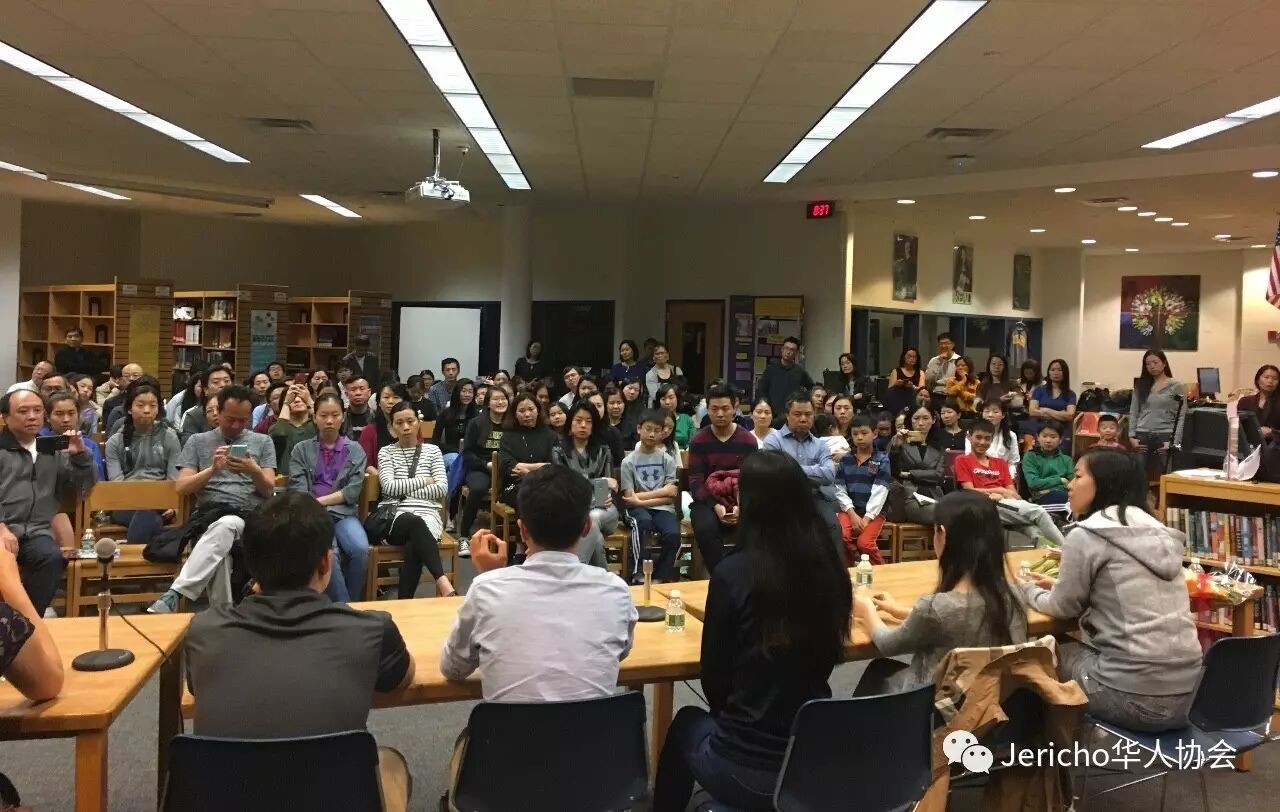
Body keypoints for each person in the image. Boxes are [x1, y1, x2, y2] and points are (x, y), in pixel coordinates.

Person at [183, 493, 414, 810]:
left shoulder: (203, 631)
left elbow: (198, 687)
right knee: (390, 761)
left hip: (225, 799)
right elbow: (402, 678)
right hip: (332, 798)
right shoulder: (373, 629)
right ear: (326, 562)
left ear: (251, 564)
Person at [652, 450, 851, 812]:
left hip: (743, 765)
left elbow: (715, 679)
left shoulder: (734, 573)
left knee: (686, 723)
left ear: (753, 503)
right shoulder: (830, 571)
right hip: (809, 762)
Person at [1017, 447, 1201, 732]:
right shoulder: (1158, 531)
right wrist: (1060, 587)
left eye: (1078, 476)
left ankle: (1046, 757)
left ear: (1103, 483)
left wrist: (1025, 589)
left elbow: (1062, 608)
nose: (1069, 485)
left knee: (1033, 656)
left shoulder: (1088, 534)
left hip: (1133, 699)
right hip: (1193, 700)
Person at [853, 490, 1027, 694]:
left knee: (878, 671)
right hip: (989, 701)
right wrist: (899, 611)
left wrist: (866, 610)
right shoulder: (1014, 596)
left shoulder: (935, 608)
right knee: (881, 669)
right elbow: (960, 617)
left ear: (942, 534)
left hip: (936, 705)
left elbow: (888, 644)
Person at [149, 386, 277, 613]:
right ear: (218, 412)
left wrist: (253, 470)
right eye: (230, 419)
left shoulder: (263, 441)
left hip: (251, 519)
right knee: (222, 551)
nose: (236, 425)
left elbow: (269, 491)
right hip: (209, 517)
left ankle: (176, 593)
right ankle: (226, 615)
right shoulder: (197, 441)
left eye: (243, 420)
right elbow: (182, 487)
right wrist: (212, 470)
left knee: (229, 523)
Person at [0, 389, 95, 615]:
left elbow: (82, 487)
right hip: (3, 529)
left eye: (37, 410)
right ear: (6, 417)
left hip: (37, 531)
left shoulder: (51, 449)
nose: (32, 416)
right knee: (4, 562)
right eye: (23, 411)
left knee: (50, 557)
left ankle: (28, 622)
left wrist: (79, 456)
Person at [287, 393, 371, 603]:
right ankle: (344, 608)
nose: (330, 421)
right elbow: (298, 490)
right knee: (329, 552)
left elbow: (351, 492)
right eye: (323, 415)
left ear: (343, 417)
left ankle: (351, 604)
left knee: (360, 550)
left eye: (335, 415)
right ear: (314, 417)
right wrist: (315, 507)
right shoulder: (301, 449)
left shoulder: (355, 450)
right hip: (312, 516)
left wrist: (320, 501)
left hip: (344, 514)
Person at [376, 403, 456, 599]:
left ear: (418, 423)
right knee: (415, 522)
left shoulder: (433, 451)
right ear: (391, 427)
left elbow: (441, 488)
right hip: (395, 516)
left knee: (415, 543)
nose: (405, 427)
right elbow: (389, 488)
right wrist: (424, 481)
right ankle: (443, 582)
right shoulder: (386, 452)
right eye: (399, 423)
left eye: (410, 421)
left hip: (429, 514)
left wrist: (405, 488)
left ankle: (403, 602)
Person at [954, 419, 1065, 547]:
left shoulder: (1000, 463)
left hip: (1005, 504)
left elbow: (1013, 494)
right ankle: (1067, 551)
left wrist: (1005, 494)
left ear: (992, 439)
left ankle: (1049, 555)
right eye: (978, 437)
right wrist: (999, 490)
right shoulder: (962, 460)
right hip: (982, 505)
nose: (982, 442)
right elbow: (968, 491)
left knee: (1035, 531)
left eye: (987, 438)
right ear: (969, 437)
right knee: (1038, 513)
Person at [687, 385, 757, 573]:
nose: (720, 414)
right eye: (714, 409)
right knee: (705, 526)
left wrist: (740, 506)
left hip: (741, 500)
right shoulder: (698, 441)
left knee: (760, 524)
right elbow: (695, 482)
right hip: (708, 501)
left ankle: (748, 574)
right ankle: (720, 575)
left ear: (734, 408)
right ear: (707, 410)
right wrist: (715, 505)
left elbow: (751, 480)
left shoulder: (748, 441)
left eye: (725, 408)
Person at [762, 395, 842, 554]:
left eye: (808, 414)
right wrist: (814, 470)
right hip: (782, 499)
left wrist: (791, 467)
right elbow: (776, 474)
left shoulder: (820, 445)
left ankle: (834, 570)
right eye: (797, 414)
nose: (803, 419)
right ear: (787, 415)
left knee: (833, 527)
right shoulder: (773, 441)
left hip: (814, 498)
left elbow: (828, 474)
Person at [105, 382, 182, 543]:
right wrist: (142, 498)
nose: (147, 410)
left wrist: (171, 504)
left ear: (158, 409)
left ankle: (131, 551)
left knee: (148, 513)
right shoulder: (115, 441)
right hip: (124, 504)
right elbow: (116, 482)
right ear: (129, 409)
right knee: (149, 514)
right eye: (140, 405)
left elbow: (173, 478)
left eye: (152, 405)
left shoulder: (170, 437)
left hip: (162, 502)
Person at [551, 401, 616, 568]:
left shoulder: (604, 451)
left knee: (592, 518)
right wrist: (596, 483)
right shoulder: (558, 452)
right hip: (571, 510)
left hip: (603, 510)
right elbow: (564, 485)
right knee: (596, 536)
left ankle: (574, 570)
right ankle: (601, 577)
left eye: (588, 421)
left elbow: (607, 487)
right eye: (578, 420)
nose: (583, 425)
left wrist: (604, 493)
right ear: (570, 423)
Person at [622, 409, 681, 583]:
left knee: (673, 534)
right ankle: (638, 572)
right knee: (643, 524)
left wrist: (640, 499)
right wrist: (661, 492)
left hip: (663, 508)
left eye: (657, 430)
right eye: (648, 429)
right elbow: (629, 497)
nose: (652, 434)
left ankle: (660, 576)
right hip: (637, 511)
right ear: (639, 429)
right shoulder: (628, 462)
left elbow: (671, 496)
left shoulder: (667, 459)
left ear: (663, 433)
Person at [458, 384, 509, 554]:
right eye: (496, 399)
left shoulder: (511, 423)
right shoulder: (476, 423)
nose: (500, 402)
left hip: (506, 468)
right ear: (488, 403)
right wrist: (486, 465)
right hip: (480, 467)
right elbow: (467, 453)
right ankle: (464, 536)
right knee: (478, 488)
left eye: (503, 399)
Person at [835, 415, 891, 565]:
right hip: (849, 510)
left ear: (875, 433)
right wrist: (852, 513)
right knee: (841, 536)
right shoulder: (845, 459)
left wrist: (867, 518)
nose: (859, 437)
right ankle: (850, 568)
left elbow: (881, 491)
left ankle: (883, 571)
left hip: (874, 513)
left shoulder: (882, 459)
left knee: (864, 543)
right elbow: (839, 488)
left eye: (864, 433)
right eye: (855, 434)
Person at [497, 391, 555, 513]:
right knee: (529, 497)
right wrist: (540, 466)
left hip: (545, 483)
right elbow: (509, 466)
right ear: (515, 414)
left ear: (538, 411)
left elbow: (553, 464)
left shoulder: (550, 435)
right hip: (514, 485)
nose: (527, 414)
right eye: (522, 411)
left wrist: (528, 471)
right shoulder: (508, 436)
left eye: (531, 409)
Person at [888, 404, 947, 523]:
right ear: (910, 420)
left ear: (933, 420)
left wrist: (909, 474)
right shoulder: (899, 441)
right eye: (916, 418)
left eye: (925, 418)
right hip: (907, 496)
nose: (920, 423)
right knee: (943, 514)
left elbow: (939, 476)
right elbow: (892, 471)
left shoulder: (939, 447)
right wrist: (896, 448)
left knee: (957, 511)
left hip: (934, 496)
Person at [1129, 350, 1185, 471]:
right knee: (1138, 473)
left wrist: (1175, 442)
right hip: (1142, 434)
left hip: (1166, 434)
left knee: (1168, 473)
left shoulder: (1176, 386)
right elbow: (1133, 412)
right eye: (1148, 364)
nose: (1152, 366)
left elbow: (1181, 416)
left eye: (1155, 362)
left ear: (1164, 363)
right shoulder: (1140, 385)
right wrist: (1131, 436)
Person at [43, 390, 106, 480]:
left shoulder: (90, 445)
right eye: (59, 414)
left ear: (78, 415)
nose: (66, 419)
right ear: (47, 417)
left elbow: (98, 480)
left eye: (71, 413)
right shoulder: (41, 443)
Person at [757, 336, 812, 422]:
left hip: (792, 416)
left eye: (792, 350)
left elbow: (811, 388)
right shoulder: (771, 370)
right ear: (782, 349)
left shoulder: (799, 371)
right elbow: (762, 391)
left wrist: (802, 401)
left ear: (796, 353)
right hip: (773, 416)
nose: (788, 352)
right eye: (786, 348)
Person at [267, 383, 316, 477]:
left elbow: (326, 423)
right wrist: (286, 403)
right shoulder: (276, 427)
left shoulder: (316, 424)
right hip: (286, 478)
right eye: (292, 399)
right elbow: (279, 434)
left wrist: (309, 400)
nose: (297, 400)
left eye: (301, 398)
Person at [965, 399, 1020, 480]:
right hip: (979, 476)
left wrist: (1008, 478)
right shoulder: (972, 433)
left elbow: (1013, 462)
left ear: (1003, 415)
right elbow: (970, 458)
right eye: (987, 411)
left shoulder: (1011, 436)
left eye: (995, 412)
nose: (990, 415)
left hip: (1004, 478)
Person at [1023, 420, 1073, 507]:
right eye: (1044, 436)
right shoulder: (1030, 456)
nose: (1048, 440)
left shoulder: (1067, 460)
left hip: (1064, 495)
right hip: (1041, 499)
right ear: (1038, 437)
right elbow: (1033, 483)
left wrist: (1049, 490)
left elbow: (1072, 483)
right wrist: (1060, 480)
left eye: (1053, 437)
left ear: (1060, 440)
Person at [359, 382, 409, 467]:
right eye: (386, 397)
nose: (391, 401)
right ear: (379, 402)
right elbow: (366, 464)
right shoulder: (369, 431)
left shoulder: (413, 428)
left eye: (396, 397)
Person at [434, 378, 477, 471]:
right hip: (449, 454)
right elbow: (435, 441)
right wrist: (457, 450)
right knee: (455, 459)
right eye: (464, 391)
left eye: (470, 392)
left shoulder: (476, 415)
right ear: (457, 393)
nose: (467, 395)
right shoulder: (445, 414)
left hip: (470, 455)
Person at [180, 366, 232, 441]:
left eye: (226, 381)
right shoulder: (194, 416)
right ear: (206, 390)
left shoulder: (242, 411)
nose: (223, 385)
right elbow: (188, 445)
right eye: (216, 382)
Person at [1029, 358, 1076, 437]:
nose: (1055, 373)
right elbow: (1032, 411)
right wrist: (1061, 414)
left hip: (1061, 432)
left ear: (1065, 373)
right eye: (1052, 370)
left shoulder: (1070, 394)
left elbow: (1069, 416)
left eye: (1059, 370)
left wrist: (1046, 410)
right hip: (1041, 430)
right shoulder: (1039, 390)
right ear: (1049, 372)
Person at [1239, 364, 1280, 437]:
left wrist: (1272, 432)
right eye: (1266, 377)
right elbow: (1237, 425)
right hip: (1248, 441)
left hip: (1274, 443)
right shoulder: (1245, 401)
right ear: (1258, 380)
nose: (1270, 381)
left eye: (1275, 378)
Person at [885, 347, 923, 418]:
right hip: (897, 400)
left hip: (913, 400)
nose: (912, 359)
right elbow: (889, 389)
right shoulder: (896, 371)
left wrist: (912, 387)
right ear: (904, 358)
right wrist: (896, 384)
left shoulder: (920, 372)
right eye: (909, 356)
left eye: (914, 357)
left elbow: (922, 390)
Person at [923, 333, 959, 409]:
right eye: (941, 344)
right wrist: (939, 363)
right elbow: (928, 379)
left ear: (952, 345)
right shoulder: (934, 360)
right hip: (936, 394)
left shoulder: (959, 360)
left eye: (946, 343)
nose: (943, 346)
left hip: (952, 395)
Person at [644, 342, 685, 406]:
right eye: (657, 354)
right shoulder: (650, 374)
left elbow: (682, 390)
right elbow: (655, 395)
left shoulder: (676, 370)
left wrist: (662, 388)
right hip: (657, 406)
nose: (660, 356)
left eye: (662, 353)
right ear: (653, 357)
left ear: (667, 355)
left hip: (676, 405)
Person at [342, 376, 374, 441]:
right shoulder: (341, 419)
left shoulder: (377, 418)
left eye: (362, 389)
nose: (358, 393)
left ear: (369, 392)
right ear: (346, 394)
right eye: (353, 390)